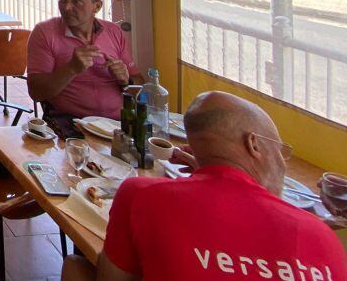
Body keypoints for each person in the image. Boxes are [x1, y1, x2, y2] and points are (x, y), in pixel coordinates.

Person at [62, 91, 347, 281]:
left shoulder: (140, 196)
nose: (282, 162)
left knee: (75, 267)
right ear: (253, 144)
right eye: (280, 150)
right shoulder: (322, 238)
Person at [26, 0, 141, 137]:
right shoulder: (45, 33)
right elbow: (36, 92)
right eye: (62, 0)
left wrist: (126, 81)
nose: (66, 8)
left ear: (97, 6)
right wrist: (71, 68)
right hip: (72, 124)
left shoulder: (113, 32)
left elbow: (140, 84)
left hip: (118, 124)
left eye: (76, 1)